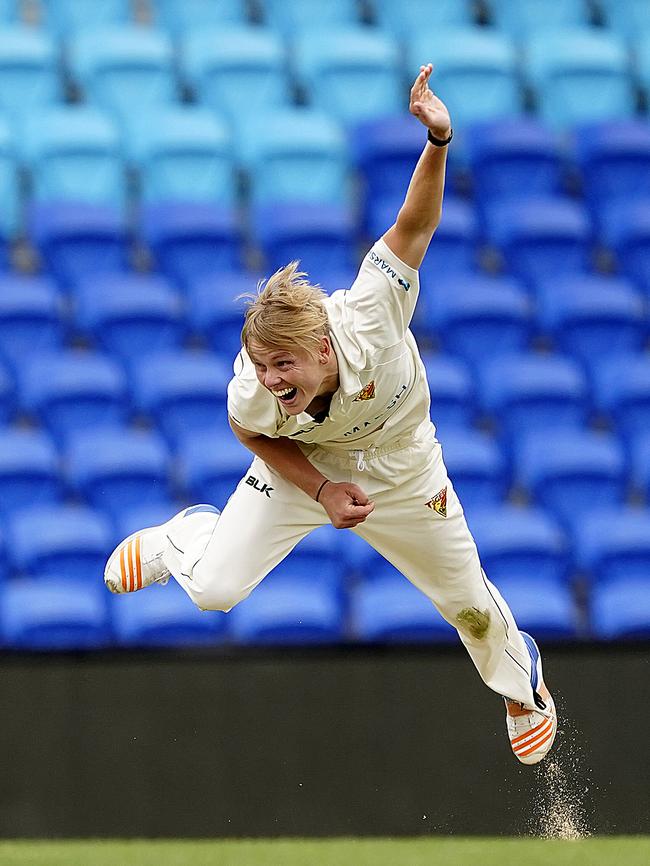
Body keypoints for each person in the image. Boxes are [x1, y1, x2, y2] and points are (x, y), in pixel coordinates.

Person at [104, 64, 557, 765]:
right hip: (308, 471)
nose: (271, 379)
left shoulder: (370, 313)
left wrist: (438, 140)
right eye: (261, 365)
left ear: (321, 346)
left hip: (404, 465)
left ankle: (521, 686)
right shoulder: (255, 389)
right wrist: (319, 487)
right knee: (216, 590)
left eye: (284, 365)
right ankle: (182, 539)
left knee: (468, 607)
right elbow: (249, 429)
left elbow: (415, 224)